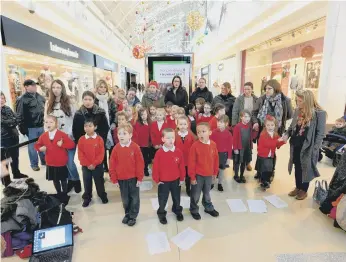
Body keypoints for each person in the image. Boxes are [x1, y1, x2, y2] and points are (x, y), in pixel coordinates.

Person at [283, 89, 326, 200]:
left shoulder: (319, 113)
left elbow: (320, 134)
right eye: (297, 101)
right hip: (296, 143)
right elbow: (292, 126)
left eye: (300, 101)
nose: (298, 103)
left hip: (308, 146)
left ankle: (304, 190)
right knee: (297, 165)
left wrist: (315, 149)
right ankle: (298, 187)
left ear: (308, 101)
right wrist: (287, 134)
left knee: (306, 168)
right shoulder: (298, 110)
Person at [45, 79, 81, 193]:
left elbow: (75, 119)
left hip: (69, 137)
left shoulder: (69, 101)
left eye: (58, 87)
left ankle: (76, 180)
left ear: (62, 88)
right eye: (54, 87)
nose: (56, 90)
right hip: (55, 139)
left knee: (70, 162)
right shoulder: (48, 103)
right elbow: (46, 120)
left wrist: (70, 133)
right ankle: (70, 181)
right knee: (63, 162)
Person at [252, 79, 293, 178]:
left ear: (276, 88)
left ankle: (270, 171)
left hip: (276, 130)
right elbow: (254, 112)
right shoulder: (262, 99)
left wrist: (276, 121)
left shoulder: (285, 100)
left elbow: (289, 115)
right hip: (262, 129)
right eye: (266, 88)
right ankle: (260, 171)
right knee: (261, 150)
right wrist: (256, 122)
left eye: (269, 88)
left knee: (272, 152)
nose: (267, 90)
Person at [109, 123, 144, 227]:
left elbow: (140, 164)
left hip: (133, 179)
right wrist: (114, 179)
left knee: (134, 198)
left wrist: (140, 177)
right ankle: (127, 213)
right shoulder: (116, 149)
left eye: (124, 133)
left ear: (130, 135)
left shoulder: (135, 147)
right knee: (125, 199)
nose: (121, 136)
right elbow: (112, 164)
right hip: (121, 179)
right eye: (119, 134)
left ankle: (133, 215)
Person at [34, 116, 75, 195]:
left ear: (56, 124)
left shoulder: (62, 134)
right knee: (55, 180)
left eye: (51, 122)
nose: (48, 124)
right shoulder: (43, 136)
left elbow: (72, 145)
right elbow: (36, 145)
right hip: (50, 162)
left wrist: (63, 144)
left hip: (61, 162)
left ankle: (65, 193)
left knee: (63, 179)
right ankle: (59, 193)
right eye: (46, 122)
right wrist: (40, 148)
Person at [153, 128, 185, 224]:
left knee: (177, 197)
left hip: (176, 180)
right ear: (162, 139)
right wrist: (157, 179)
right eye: (168, 138)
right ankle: (161, 213)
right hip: (163, 181)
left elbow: (182, 166)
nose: (171, 140)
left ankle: (177, 210)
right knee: (163, 199)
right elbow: (155, 168)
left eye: (172, 137)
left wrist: (182, 178)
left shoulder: (178, 152)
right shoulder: (159, 153)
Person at [188, 122, 219, 220]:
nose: (201, 134)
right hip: (198, 175)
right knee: (196, 194)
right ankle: (194, 209)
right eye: (198, 132)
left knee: (207, 193)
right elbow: (191, 163)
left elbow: (216, 159)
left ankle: (208, 207)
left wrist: (215, 173)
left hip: (209, 175)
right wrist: (192, 177)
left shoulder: (213, 145)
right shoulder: (195, 146)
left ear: (210, 132)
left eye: (203, 131)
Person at [16, 79, 46, 171]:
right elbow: (19, 115)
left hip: (41, 125)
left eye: (35, 85)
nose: (35, 87)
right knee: (32, 147)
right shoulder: (22, 99)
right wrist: (23, 129)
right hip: (30, 127)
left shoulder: (40, 97)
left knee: (42, 144)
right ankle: (34, 164)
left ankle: (44, 161)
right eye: (32, 85)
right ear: (26, 87)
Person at [78, 119, 108, 207]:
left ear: (95, 127)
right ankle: (87, 198)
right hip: (85, 166)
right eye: (85, 126)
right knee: (87, 182)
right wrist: (87, 164)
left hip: (97, 166)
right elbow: (80, 154)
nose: (87, 128)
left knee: (99, 181)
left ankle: (102, 195)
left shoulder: (99, 139)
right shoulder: (81, 139)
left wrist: (94, 164)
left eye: (90, 126)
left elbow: (101, 153)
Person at [1, 92, 27, 186]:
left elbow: (16, 119)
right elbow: (10, 121)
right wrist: (10, 122)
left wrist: (8, 122)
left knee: (15, 157)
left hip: (13, 137)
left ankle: (16, 173)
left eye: (3, 98)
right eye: (0, 98)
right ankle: (6, 182)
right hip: (2, 140)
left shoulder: (7, 108)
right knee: (4, 162)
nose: (1, 100)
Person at [232, 82, 258, 171]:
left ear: (252, 89)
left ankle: (248, 163)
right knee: (239, 144)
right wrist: (234, 124)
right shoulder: (239, 99)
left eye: (248, 89)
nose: (246, 91)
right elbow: (235, 111)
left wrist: (256, 123)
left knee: (249, 145)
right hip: (241, 124)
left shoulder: (256, 99)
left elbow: (257, 112)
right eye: (245, 89)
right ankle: (236, 163)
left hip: (251, 124)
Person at [256, 115, 286, 190]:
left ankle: (267, 180)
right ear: (265, 125)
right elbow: (267, 144)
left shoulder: (275, 134)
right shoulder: (263, 134)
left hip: (271, 155)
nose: (270, 127)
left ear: (275, 125)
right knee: (264, 169)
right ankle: (264, 181)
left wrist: (283, 141)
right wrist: (277, 141)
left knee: (270, 168)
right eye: (268, 125)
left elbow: (277, 144)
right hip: (263, 155)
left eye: (272, 125)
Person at [94, 80, 117, 173]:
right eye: (101, 87)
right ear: (97, 88)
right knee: (101, 148)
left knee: (112, 148)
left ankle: (111, 167)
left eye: (104, 87)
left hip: (110, 127)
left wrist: (114, 123)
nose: (103, 89)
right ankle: (105, 166)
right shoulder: (94, 100)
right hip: (99, 128)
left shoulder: (110, 100)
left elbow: (115, 113)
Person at [233, 110, 257, 183]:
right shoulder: (237, 126)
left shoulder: (249, 126)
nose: (247, 118)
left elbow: (252, 136)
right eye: (245, 116)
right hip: (239, 148)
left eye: (249, 117)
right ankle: (236, 175)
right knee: (237, 162)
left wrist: (255, 130)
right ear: (241, 117)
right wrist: (235, 148)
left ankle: (241, 175)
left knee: (244, 162)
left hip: (247, 148)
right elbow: (235, 138)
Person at [210, 115, 233, 192]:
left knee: (221, 170)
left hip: (223, 155)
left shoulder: (229, 134)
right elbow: (210, 144)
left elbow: (230, 147)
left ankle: (220, 183)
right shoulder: (213, 133)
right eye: (218, 122)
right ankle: (212, 182)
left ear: (226, 124)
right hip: (214, 154)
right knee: (213, 169)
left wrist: (229, 158)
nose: (219, 124)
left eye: (221, 122)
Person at [175, 116, 196, 196]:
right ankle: (177, 188)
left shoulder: (191, 135)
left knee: (188, 176)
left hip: (188, 160)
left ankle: (188, 188)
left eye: (184, 124)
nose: (183, 126)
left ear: (188, 125)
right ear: (177, 125)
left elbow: (194, 147)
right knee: (178, 175)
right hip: (178, 160)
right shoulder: (175, 135)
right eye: (180, 124)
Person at [134, 108, 151, 177]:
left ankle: (145, 169)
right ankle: (139, 171)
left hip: (147, 144)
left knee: (146, 159)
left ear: (147, 114)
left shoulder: (150, 122)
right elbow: (136, 135)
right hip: (140, 145)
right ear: (139, 116)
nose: (143, 116)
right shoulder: (137, 124)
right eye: (142, 115)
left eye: (145, 114)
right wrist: (136, 144)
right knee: (140, 158)